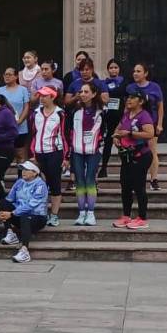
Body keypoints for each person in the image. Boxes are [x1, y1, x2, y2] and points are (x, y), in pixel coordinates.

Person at [112, 90, 156, 230]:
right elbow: (117, 130)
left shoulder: (144, 115)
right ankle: (126, 216)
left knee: (139, 187)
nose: (128, 100)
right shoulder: (126, 115)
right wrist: (115, 138)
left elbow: (150, 133)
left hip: (141, 156)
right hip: (127, 156)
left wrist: (131, 133)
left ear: (141, 101)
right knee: (125, 186)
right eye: (127, 97)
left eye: (132, 98)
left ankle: (142, 218)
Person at [69, 81, 105, 226]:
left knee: (90, 179)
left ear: (94, 94)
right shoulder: (75, 111)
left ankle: (90, 213)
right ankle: (81, 213)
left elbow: (106, 132)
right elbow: (69, 131)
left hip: (94, 151)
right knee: (79, 181)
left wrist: (100, 147)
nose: (82, 94)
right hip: (77, 150)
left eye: (86, 92)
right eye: (81, 92)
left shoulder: (102, 111)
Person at [0, 161, 49, 263]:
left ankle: (24, 250)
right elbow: (10, 199)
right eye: (23, 169)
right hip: (18, 214)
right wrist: (0, 211)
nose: (23, 172)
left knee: (25, 216)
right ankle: (10, 233)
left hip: (37, 217)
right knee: (3, 202)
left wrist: (12, 213)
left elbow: (31, 205)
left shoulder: (40, 185)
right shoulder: (19, 182)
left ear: (35, 173)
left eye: (27, 170)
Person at [30, 86, 66, 226]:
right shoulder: (36, 113)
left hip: (54, 152)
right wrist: (32, 153)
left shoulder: (60, 114)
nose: (42, 98)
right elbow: (33, 134)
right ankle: (41, 212)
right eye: (40, 96)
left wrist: (65, 157)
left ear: (52, 97)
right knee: (40, 184)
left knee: (55, 183)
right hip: (39, 152)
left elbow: (64, 135)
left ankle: (55, 214)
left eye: (45, 96)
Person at [126, 63, 164, 190]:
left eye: (138, 71)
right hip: (133, 124)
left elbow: (160, 107)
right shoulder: (130, 88)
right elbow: (127, 107)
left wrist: (159, 124)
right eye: (134, 71)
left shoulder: (155, 87)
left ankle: (154, 179)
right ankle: (133, 179)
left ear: (145, 73)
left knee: (152, 151)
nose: (135, 73)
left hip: (150, 123)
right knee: (132, 152)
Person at [0, 67, 31, 164]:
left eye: (9, 74)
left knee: (20, 154)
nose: (7, 76)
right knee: (4, 154)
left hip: (20, 128)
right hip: (4, 128)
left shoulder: (23, 90)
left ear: (16, 76)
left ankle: (22, 176)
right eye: (5, 74)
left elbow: (26, 107)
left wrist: (20, 121)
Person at [99, 59, 126, 179]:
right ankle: (104, 167)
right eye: (111, 67)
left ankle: (126, 167)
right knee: (108, 142)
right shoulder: (104, 83)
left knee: (123, 142)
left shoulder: (124, 82)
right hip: (109, 115)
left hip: (121, 115)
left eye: (115, 67)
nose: (113, 70)